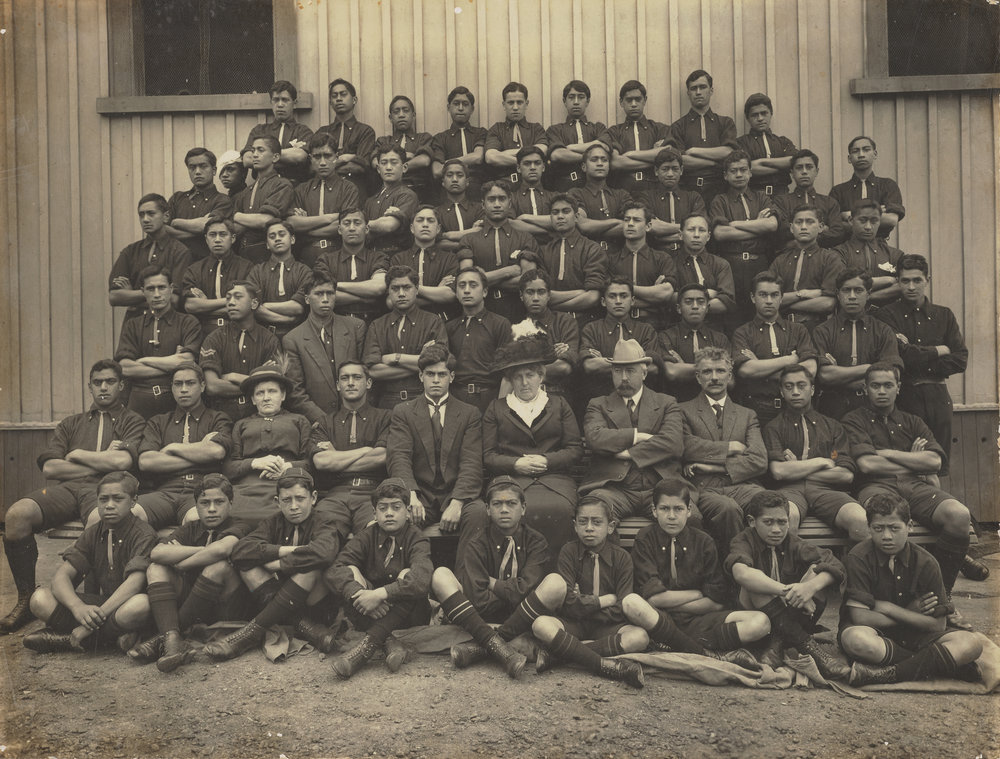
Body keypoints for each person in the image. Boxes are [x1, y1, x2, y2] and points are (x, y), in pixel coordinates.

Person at [0, 360, 145, 635]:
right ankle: (25, 600)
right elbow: (51, 467)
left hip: (105, 490)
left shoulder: (132, 420)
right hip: (67, 490)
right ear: (89, 386)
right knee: (16, 515)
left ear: (121, 385)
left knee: (99, 519)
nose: (103, 387)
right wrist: (105, 460)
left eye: (110, 382)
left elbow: (124, 462)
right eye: (97, 382)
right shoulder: (71, 424)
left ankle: (90, 604)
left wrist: (76, 456)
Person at [841, 363, 978, 628]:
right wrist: (914, 459)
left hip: (917, 487)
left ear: (898, 388)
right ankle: (886, 605)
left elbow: (935, 462)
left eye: (888, 385)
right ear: (865, 388)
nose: (882, 391)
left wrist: (887, 453)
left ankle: (941, 600)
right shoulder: (853, 420)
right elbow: (868, 465)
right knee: (878, 524)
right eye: (875, 385)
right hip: (876, 486)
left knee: (959, 516)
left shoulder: (913, 421)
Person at [839, 493, 982, 686]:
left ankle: (890, 674)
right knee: (855, 640)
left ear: (910, 526)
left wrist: (889, 608)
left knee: (971, 644)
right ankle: (942, 664)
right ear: (869, 528)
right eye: (878, 528)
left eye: (894, 528)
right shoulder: (858, 558)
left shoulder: (927, 562)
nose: (886, 536)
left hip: (918, 636)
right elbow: (861, 617)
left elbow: (938, 625)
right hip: (876, 634)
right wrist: (912, 613)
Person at [631, 478, 770, 665]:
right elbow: (653, 598)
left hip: (699, 621)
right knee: (633, 604)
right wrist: (696, 594)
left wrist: (669, 601)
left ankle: (677, 644)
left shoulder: (704, 542)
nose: (671, 516)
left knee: (760, 623)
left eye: (678, 509)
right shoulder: (645, 538)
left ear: (689, 511)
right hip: (659, 619)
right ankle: (705, 652)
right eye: (664, 509)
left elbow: (716, 602)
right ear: (654, 511)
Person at [204, 468, 339, 660]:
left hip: (316, 607)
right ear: (277, 502)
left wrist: (281, 565)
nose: (294, 506)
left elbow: (324, 553)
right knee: (248, 566)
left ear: (314, 498)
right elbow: (240, 551)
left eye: (300, 498)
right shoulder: (272, 522)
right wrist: (282, 550)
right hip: (282, 600)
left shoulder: (324, 521)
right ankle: (307, 628)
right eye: (286, 500)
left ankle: (248, 635)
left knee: (310, 569)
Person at [430, 477, 554, 679]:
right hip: (483, 617)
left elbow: (528, 590)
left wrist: (493, 583)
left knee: (554, 585)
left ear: (523, 508)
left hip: (520, 619)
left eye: (511, 503)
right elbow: (478, 599)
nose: (504, 509)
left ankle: (482, 645)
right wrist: (513, 593)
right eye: (497, 504)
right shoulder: (477, 543)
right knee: (440, 575)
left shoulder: (536, 542)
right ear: (487, 509)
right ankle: (503, 647)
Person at [127, 473, 252, 672]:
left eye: (219, 502)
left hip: (226, 605)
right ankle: (173, 641)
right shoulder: (190, 528)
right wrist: (202, 552)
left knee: (217, 566)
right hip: (193, 603)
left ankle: (163, 639)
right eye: (204, 503)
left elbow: (222, 550)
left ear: (230, 503)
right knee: (156, 568)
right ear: (196, 505)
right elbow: (158, 553)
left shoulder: (240, 524)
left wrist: (183, 562)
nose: (211, 509)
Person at [23, 472, 155, 654]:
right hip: (102, 606)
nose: (109, 505)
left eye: (118, 499)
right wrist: (78, 608)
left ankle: (68, 639)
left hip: (125, 604)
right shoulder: (93, 532)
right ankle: (110, 638)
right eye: (103, 500)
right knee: (39, 599)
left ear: (133, 501)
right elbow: (61, 577)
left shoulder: (143, 534)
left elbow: (135, 584)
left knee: (141, 604)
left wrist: (90, 625)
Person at [725, 490, 850, 679]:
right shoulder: (743, 540)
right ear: (752, 521)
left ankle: (776, 646)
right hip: (756, 618)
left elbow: (835, 565)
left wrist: (810, 587)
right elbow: (741, 573)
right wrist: (788, 591)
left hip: (785, 618)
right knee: (756, 584)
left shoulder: (793, 542)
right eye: (768, 522)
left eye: (782, 522)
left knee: (818, 571)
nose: (776, 529)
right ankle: (813, 650)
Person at [483, 329, 583, 553]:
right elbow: (488, 455)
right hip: (511, 480)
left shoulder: (558, 404)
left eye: (530, 375)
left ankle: (558, 577)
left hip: (555, 480)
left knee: (562, 510)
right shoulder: (497, 408)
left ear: (541, 376)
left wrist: (546, 460)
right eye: (518, 377)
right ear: (510, 380)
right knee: (508, 509)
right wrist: (516, 464)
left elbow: (574, 450)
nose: (524, 382)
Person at [529, 496, 646, 687]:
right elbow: (568, 604)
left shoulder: (622, 558)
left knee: (640, 637)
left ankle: (560, 656)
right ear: (575, 526)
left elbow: (621, 607)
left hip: (607, 626)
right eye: (583, 522)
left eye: (597, 522)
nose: (589, 528)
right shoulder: (569, 552)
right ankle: (602, 663)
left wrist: (583, 602)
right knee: (540, 625)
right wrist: (602, 601)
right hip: (575, 624)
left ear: (611, 526)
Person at [386, 344, 488, 560]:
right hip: (420, 494)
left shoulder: (469, 413)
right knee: (401, 514)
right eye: (430, 374)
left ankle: (467, 583)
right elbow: (399, 457)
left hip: (456, 493)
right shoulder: (403, 412)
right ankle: (413, 582)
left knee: (477, 513)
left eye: (442, 374)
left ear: (451, 377)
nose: (435, 380)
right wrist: (410, 495)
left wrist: (458, 502)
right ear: (420, 376)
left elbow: (471, 463)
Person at [325, 478, 433, 678]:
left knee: (407, 575)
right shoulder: (367, 536)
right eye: (383, 508)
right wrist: (359, 593)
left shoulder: (417, 537)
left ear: (408, 512)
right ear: (374, 513)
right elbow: (335, 569)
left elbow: (422, 578)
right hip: (369, 612)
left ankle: (367, 647)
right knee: (350, 569)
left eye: (396, 507)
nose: (389, 513)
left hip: (409, 615)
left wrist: (381, 595)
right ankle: (390, 642)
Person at [875, 254, 967, 476]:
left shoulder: (943, 315)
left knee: (937, 463)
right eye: (905, 281)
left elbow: (960, 359)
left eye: (917, 280)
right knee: (908, 459)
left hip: (938, 396)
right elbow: (899, 356)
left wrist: (918, 359)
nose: (911, 286)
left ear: (928, 279)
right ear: (898, 281)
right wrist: (937, 351)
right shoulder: (887, 315)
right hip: (906, 395)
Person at [579, 339, 683, 522]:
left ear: (644, 373)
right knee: (595, 517)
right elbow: (596, 438)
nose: (624, 377)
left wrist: (628, 453)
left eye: (630, 370)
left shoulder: (667, 403)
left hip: (660, 489)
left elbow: (673, 443)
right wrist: (637, 436)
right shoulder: (598, 405)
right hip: (614, 490)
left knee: (691, 519)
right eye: (618, 371)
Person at [764, 364, 867, 542]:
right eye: (788, 387)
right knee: (786, 519)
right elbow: (778, 472)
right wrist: (821, 461)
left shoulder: (832, 426)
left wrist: (796, 469)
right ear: (781, 391)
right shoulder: (773, 427)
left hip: (826, 491)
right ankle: (792, 570)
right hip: (790, 491)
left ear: (812, 390)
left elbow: (845, 475)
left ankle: (852, 569)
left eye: (801, 385)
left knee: (861, 520)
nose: (795, 391)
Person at [678, 347, 763, 555]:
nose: (714, 377)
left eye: (720, 371)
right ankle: (735, 571)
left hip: (741, 486)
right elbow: (685, 446)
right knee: (727, 508)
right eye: (707, 372)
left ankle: (767, 570)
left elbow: (759, 460)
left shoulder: (746, 415)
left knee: (770, 503)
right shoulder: (682, 410)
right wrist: (730, 447)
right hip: (703, 488)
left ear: (730, 375)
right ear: (698, 377)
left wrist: (711, 466)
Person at [134, 363, 232, 529]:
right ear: (171, 388)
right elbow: (146, 461)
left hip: (202, 491)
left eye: (190, 383)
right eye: (178, 384)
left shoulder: (217, 418)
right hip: (165, 492)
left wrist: (173, 448)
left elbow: (216, 451)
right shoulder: (159, 422)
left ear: (202, 386)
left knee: (197, 521)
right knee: (130, 515)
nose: (184, 389)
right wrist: (201, 452)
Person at [310, 360, 390, 544]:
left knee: (376, 536)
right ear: (338, 385)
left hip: (373, 493)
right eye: (345, 378)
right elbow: (321, 462)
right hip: (336, 494)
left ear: (368, 383)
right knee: (322, 536)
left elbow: (382, 456)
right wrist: (366, 450)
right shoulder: (325, 423)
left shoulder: (385, 417)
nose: (351, 382)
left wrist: (336, 459)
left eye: (357, 377)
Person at [224, 364, 313, 524]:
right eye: (260, 393)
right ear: (252, 399)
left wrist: (288, 468)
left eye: (272, 391)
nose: (266, 398)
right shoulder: (241, 424)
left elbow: (311, 463)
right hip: (247, 491)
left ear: (283, 395)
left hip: (286, 488)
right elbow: (229, 468)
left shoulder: (299, 420)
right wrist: (255, 462)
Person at [813, 269, 903, 420]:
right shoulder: (823, 331)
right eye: (846, 290)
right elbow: (824, 375)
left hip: (871, 408)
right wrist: (871, 367)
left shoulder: (882, 330)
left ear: (868, 294)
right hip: (833, 408)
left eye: (858, 290)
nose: (852, 296)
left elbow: (893, 373)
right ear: (838, 294)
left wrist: (840, 375)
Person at [732, 271, 819, 427]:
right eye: (763, 295)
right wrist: (791, 360)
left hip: (792, 408)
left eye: (774, 295)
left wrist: (761, 368)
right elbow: (746, 371)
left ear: (781, 298)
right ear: (753, 297)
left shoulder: (798, 330)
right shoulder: (742, 332)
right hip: (756, 409)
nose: (769, 300)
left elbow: (810, 370)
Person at [115, 265, 202, 419]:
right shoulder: (133, 325)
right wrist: (170, 364)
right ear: (143, 292)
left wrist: (145, 360)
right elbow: (125, 368)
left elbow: (187, 361)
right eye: (150, 289)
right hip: (139, 402)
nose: (156, 294)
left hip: (174, 401)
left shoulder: (188, 322)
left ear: (171, 288)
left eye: (161, 287)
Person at [282, 272, 367, 423]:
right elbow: (296, 392)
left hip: (358, 416)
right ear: (307, 299)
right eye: (319, 294)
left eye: (330, 293)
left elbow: (367, 374)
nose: (326, 299)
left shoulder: (355, 327)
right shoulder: (293, 339)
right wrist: (324, 421)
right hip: (319, 421)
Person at [363, 265, 448, 409]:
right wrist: (421, 363)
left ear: (416, 289)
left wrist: (395, 358)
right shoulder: (377, 325)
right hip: (387, 402)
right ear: (388, 291)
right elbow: (373, 371)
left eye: (407, 287)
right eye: (395, 288)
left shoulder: (433, 322)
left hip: (423, 400)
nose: (401, 293)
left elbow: (439, 364)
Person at [708, 150, 778, 324]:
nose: (739, 174)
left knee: (759, 312)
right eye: (733, 171)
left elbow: (771, 225)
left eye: (743, 170)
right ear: (725, 175)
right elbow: (720, 233)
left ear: (750, 172)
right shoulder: (720, 200)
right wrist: (757, 225)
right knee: (733, 315)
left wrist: (733, 224)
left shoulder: (761, 197)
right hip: (732, 265)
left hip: (759, 263)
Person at [456, 180, 539, 323]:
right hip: (480, 314)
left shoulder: (525, 238)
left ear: (510, 203)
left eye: (502, 199)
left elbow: (528, 281)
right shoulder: (469, 240)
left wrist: (482, 278)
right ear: (483, 205)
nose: (496, 204)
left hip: (518, 313)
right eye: (491, 199)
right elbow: (467, 281)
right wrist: (507, 272)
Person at [199, 280, 281, 421]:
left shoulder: (269, 340)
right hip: (221, 417)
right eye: (228, 297)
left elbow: (271, 386)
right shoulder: (214, 339)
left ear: (254, 304)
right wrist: (254, 383)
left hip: (259, 418)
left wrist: (232, 376)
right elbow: (212, 386)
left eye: (238, 297)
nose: (231, 302)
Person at [108, 194, 191, 320]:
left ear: (166, 216)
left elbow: (174, 300)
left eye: (151, 214)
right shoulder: (130, 251)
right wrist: (159, 293)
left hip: (167, 324)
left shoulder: (179, 252)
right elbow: (114, 297)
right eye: (141, 215)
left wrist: (131, 297)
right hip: (134, 325)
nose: (145, 219)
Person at [286, 131, 361, 267]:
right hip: (306, 256)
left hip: (338, 255)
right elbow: (291, 224)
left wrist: (306, 228)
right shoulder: (301, 190)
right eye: (317, 157)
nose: (322, 162)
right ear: (310, 158)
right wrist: (329, 218)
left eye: (327, 156)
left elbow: (343, 225)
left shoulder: (349, 188)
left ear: (336, 157)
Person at [579, 277, 660, 404]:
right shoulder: (592, 329)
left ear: (632, 300)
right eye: (612, 296)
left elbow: (654, 368)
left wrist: (605, 361)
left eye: (623, 296)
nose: (618, 301)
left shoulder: (645, 330)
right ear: (603, 301)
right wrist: (637, 362)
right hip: (602, 399)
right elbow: (590, 366)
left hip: (639, 400)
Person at [767, 205, 844, 331]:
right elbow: (769, 298)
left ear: (820, 227)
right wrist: (802, 294)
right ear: (791, 228)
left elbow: (828, 303)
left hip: (817, 327)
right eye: (798, 222)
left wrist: (786, 304)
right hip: (783, 328)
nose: (803, 227)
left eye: (809, 222)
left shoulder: (830, 259)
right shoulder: (780, 260)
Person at [446, 267, 512, 411]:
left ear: (485, 292)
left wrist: (499, 409)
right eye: (462, 286)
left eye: (473, 285)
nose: (467, 290)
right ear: (456, 293)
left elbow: (507, 371)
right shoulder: (449, 327)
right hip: (456, 399)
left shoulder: (500, 324)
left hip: (489, 398)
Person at [669, 70, 738, 205]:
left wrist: (694, 150)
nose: (698, 92)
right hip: (688, 190)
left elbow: (729, 152)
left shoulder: (725, 122)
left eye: (703, 87)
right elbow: (681, 161)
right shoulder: (678, 126)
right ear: (688, 93)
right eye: (694, 88)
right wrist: (716, 162)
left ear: (711, 90)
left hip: (721, 189)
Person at [536, 194, 607, 324]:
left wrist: (552, 305)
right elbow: (540, 295)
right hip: (552, 322)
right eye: (555, 212)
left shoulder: (592, 249)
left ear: (576, 217)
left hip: (584, 321)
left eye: (566, 211)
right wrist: (579, 293)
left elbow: (593, 297)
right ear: (551, 218)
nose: (560, 216)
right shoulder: (544, 251)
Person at [608, 201, 677, 330]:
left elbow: (666, 293)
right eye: (627, 220)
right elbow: (608, 297)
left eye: (636, 220)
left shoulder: (662, 258)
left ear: (648, 226)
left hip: (655, 324)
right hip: (619, 325)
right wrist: (653, 296)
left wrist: (625, 290)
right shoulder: (611, 260)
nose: (630, 224)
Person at [314, 208, 390, 324]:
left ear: (366, 229)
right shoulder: (326, 260)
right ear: (339, 230)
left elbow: (378, 287)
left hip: (372, 323)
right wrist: (367, 297)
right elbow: (324, 295)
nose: (352, 228)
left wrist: (335, 285)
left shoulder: (378, 258)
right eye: (347, 223)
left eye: (357, 223)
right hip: (336, 323)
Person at [182, 219, 254, 339]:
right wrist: (231, 301)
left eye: (223, 234)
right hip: (203, 332)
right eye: (212, 235)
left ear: (233, 238)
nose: (217, 240)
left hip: (237, 330)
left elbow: (246, 306)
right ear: (206, 239)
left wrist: (205, 305)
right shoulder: (195, 270)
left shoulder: (247, 267)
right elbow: (190, 306)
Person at [659, 283, 732, 403]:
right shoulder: (666, 336)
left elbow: (730, 380)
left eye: (700, 302)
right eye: (688, 301)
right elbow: (671, 372)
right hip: (679, 403)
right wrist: (714, 369)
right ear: (678, 308)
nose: (695, 306)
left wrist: (684, 368)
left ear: (707, 308)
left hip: (712, 404)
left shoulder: (720, 339)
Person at [518, 269, 580, 401]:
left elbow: (564, 367)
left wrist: (525, 372)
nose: (535, 298)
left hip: (558, 397)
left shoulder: (565, 322)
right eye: (530, 292)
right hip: (524, 399)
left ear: (549, 295)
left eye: (541, 292)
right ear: (521, 295)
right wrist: (551, 355)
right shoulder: (516, 328)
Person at [232, 136, 295, 264]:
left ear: (275, 157)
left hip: (266, 254)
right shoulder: (246, 191)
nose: (254, 155)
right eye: (253, 150)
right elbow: (235, 229)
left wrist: (234, 215)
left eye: (261, 150)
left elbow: (265, 220)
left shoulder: (281, 185)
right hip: (243, 255)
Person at [600, 80, 670, 196]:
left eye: (638, 99)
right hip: (623, 191)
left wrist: (630, 154)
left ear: (645, 101)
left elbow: (667, 154)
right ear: (621, 102)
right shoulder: (615, 131)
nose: (633, 104)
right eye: (629, 100)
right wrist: (654, 160)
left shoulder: (659, 129)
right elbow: (616, 163)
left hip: (654, 190)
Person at [165, 147, 234, 262]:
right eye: (192, 167)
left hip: (207, 266)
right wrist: (198, 231)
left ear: (214, 170)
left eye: (203, 166)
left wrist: (175, 222)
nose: (197, 171)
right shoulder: (177, 198)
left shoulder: (222, 200)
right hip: (177, 263)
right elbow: (163, 229)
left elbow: (208, 226)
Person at [247, 220, 313, 338]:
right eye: (272, 236)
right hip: (263, 336)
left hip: (297, 336)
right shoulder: (257, 271)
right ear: (267, 244)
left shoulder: (304, 271)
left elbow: (298, 308)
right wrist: (286, 319)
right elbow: (252, 307)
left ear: (292, 239)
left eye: (282, 234)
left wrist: (265, 306)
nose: (277, 239)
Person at [771, 149, 849, 250]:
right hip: (791, 256)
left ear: (816, 171)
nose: (804, 172)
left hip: (822, 257)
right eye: (799, 168)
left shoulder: (829, 202)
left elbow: (837, 233)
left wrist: (801, 239)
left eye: (809, 167)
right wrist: (821, 229)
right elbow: (783, 232)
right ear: (792, 173)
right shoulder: (782, 201)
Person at [832, 199, 905, 306]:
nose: (868, 227)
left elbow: (905, 285)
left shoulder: (895, 255)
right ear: (851, 220)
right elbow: (841, 285)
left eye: (874, 221)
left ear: (880, 221)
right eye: (862, 220)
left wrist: (866, 297)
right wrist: (888, 280)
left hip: (886, 318)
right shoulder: (839, 252)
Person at [392, 205, 460, 319]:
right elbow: (391, 301)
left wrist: (409, 289)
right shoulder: (398, 259)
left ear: (438, 229)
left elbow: (449, 295)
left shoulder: (450, 259)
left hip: (441, 320)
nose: (425, 224)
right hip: (404, 320)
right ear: (412, 228)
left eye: (430, 220)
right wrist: (436, 292)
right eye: (420, 220)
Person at [829, 136, 905, 238]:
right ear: (849, 158)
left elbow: (891, 220)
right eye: (856, 151)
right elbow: (834, 226)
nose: (861, 155)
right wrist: (877, 214)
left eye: (866, 150)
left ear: (875, 154)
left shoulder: (887, 185)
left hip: (879, 246)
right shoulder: (838, 191)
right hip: (847, 247)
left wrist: (848, 216)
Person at [670, 213, 736, 331]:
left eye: (701, 230)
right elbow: (669, 298)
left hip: (714, 329)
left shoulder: (721, 264)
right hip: (679, 329)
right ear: (680, 234)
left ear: (708, 236)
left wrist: (687, 301)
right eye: (691, 230)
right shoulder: (670, 264)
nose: (696, 235)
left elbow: (725, 303)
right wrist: (709, 294)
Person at [315, 78, 377, 201]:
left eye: (343, 94)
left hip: (356, 188)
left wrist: (328, 166)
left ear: (354, 100)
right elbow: (312, 166)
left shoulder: (365, 131)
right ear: (330, 102)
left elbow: (362, 165)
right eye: (334, 96)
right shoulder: (322, 132)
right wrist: (346, 159)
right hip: (326, 190)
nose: (338, 98)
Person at [240, 80, 313, 184]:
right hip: (263, 186)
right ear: (271, 103)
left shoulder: (303, 131)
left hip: (294, 187)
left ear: (294, 103)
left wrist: (263, 156)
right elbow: (247, 159)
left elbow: (300, 157)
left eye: (285, 100)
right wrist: (287, 157)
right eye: (276, 100)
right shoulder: (259, 131)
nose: (280, 105)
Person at [544, 80, 607, 192]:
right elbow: (557, 155)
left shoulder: (598, 128)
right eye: (571, 97)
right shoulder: (555, 130)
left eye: (581, 97)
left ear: (587, 101)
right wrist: (592, 156)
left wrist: (569, 148)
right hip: (566, 186)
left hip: (596, 186)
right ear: (565, 101)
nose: (576, 102)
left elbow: (604, 147)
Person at [641, 147, 707, 252]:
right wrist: (686, 230)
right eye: (665, 169)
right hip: (657, 254)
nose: (670, 174)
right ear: (656, 171)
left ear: (681, 171)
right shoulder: (646, 197)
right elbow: (652, 227)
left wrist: (662, 233)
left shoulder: (693, 197)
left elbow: (698, 228)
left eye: (675, 169)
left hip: (686, 254)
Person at [373, 95, 434, 202]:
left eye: (405, 111)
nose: (401, 115)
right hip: (389, 193)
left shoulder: (423, 138)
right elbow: (375, 162)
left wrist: (392, 166)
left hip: (418, 192)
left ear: (413, 115)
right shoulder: (383, 141)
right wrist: (409, 156)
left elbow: (424, 160)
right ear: (391, 118)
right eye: (396, 112)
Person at [430, 86, 487, 201]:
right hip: (449, 192)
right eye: (456, 104)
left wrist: (447, 164)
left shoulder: (480, 132)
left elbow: (477, 157)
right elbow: (436, 171)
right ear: (448, 107)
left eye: (465, 104)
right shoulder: (440, 138)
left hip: (477, 188)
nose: (460, 108)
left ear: (472, 109)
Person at [566, 143, 631, 245]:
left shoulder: (622, 195)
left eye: (604, 160)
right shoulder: (575, 194)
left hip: (618, 255)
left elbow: (631, 225)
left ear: (609, 166)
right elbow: (583, 226)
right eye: (594, 159)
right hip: (588, 254)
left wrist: (595, 228)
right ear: (584, 167)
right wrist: (615, 222)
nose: (600, 163)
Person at [364, 145, 420, 260]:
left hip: (396, 257)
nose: (388, 167)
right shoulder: (371, 201)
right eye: (384, 163)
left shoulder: (407, 195)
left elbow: (389, 225)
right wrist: (373, 226)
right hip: (371, 257)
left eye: (394, 162)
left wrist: (361, 226)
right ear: (378, 169)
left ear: (404, 167)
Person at [484, 82, 547, 183]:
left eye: (519, 102)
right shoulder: (497, 129)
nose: (515, 107)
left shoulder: (536, 128)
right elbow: (491, 157)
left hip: (532, 184)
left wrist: (504, 154)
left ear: (526, 104)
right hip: (504, 184)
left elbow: (542, 150)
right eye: (510, 103)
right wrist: (527, 160)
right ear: (504, 105)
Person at [736, 93, 797, 197]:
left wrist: (761, 162)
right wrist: (783, 168)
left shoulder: (782, 141)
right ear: (748, 118)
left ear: (771, 114)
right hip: (755, 196)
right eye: (754, 115)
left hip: (782, 195)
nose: (760, 118)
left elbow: (795, 161)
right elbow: (747, 169)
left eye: (764, 113)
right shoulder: (741, 143)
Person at [434, 160, 484, 252]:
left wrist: (448, 235)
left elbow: (484, 234)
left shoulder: (480, 209)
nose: (454, 179)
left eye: (460, 175)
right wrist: (471, 235)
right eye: (449, 175)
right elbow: (437, 243)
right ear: (443, 182)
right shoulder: (436, 213)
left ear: (467, 182)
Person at [508, 146, 554, 239]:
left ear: (543, 167)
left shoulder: (554, 196)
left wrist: (525, 217)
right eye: (527, 164)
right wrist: (548, 230)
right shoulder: (511, 198)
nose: (532, 167)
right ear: (518, 168)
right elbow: (510, 223)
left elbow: (562, 219)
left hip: (551, 248)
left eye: (537, 163)